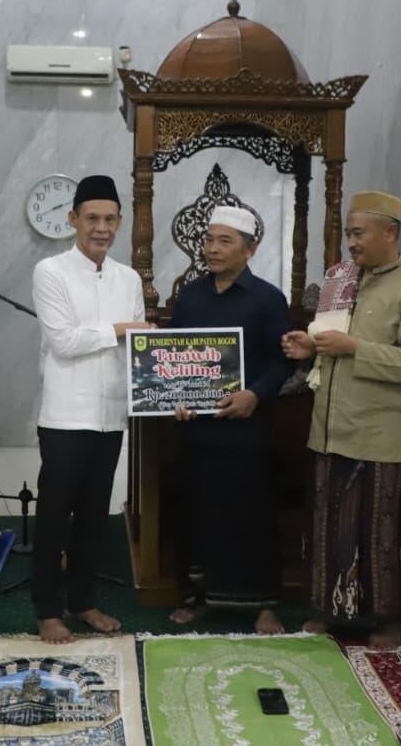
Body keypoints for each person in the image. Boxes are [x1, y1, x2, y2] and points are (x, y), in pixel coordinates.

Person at [281, 191, 401, 646]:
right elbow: (329, 343)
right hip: (330, 429)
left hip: (379, 433)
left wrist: (354, 349)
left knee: (379, 533)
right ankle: (329, 612)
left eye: (358, 233)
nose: (351, 243)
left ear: (389, 232)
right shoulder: (341, 280)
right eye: (349, 234)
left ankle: (387, 621)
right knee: (330, 527)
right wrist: (309, 346)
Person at [30, 175, 149, 644]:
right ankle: (46, 610)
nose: (101, 228)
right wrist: (121, 328)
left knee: (95, 517)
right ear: (73, 219)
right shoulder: (51, 271)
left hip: (110, 415)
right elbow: (63, 342)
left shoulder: (129, 277)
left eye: (110, 219)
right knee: (55, 516)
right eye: (92, 218)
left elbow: (136, 347)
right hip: (65, 416)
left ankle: (82, 602)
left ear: (120, 223)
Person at [167, 205, 291, 635]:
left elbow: (282, 362)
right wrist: (175, 398)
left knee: (250, 515)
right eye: (208, 240)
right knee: (199, 514)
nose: (212, 249)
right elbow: (177, 358)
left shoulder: (268, 299)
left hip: (246, 431)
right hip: (198, 431)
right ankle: (201, 600)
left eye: (224, 241)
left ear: (250, 249)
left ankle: (264, 605)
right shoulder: (190, 295)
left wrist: (254, 395)